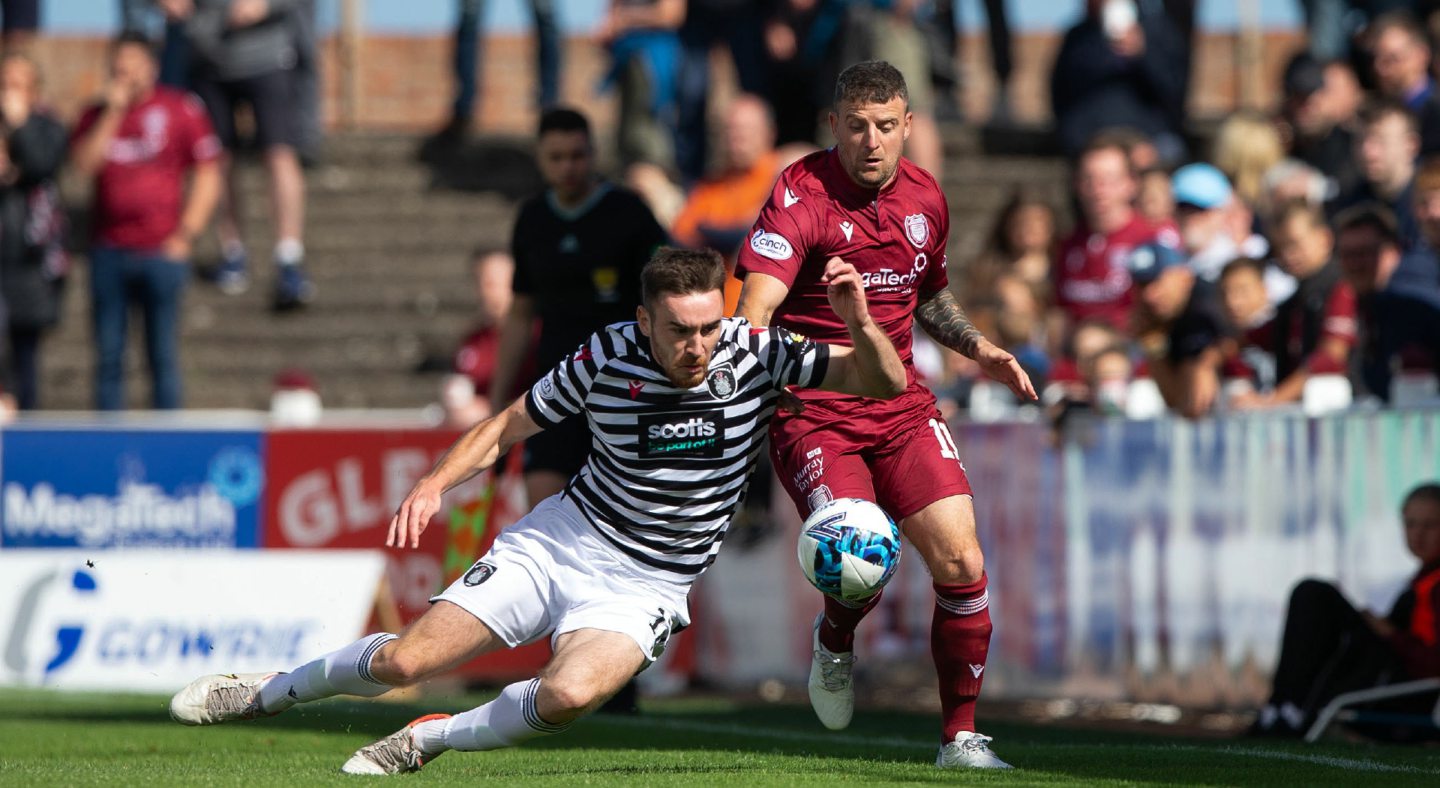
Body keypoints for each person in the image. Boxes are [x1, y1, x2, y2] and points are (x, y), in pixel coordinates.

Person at [167, 247, 909, 774]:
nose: (699, 347)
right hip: (564, 540)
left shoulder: (755, 350)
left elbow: (882, 383)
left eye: (709, 327)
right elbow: (506, 426)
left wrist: (862, 322)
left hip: (650, 583)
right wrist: (434, 484)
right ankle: (260, 694)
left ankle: (430, 740)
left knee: (570, 693)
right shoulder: (604, 356)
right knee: (403, 659)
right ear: (644, 321)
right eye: (680, 330)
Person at [734, 60, 1036, 769]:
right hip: (813, 412)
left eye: (887, 126)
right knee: (860, 558)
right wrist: (779, 368)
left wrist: (980, 346)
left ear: (908, 126)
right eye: (858, 126)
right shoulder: (798, 197)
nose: (872, 141)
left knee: (962, 559)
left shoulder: (927, 197)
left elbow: (928, 296)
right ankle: (836, 637)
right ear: (834, 125)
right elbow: (751, 317)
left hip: (899, 405)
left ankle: (959, 738)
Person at [489, 107, 668, 513]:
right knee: (544, 515)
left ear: (593, 153)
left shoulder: (629, 212)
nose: (568, 166)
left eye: (577, 155)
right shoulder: (532, 219)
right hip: (555, 388)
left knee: (625, 522)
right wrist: (499, 398)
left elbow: (667, 292)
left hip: (626, 388)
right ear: (540, 158)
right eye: (557, 157)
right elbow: (520, 312)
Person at [70, 32, 222, 410]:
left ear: (151, 67)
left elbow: (208, 172)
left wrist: (187, 234)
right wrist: (113, 111)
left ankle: (167, 443)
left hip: (161, 250)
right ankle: (107, 445)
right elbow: (84, 167)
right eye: (120, 65)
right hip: (109, 249)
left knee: (163, 356)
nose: (126, 73)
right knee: (108, 356)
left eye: (134, 64)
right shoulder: (94, 114)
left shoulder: (179, 109)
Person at [1251, 483, 1440, 739]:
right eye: (1410, 525)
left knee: (1315, 594)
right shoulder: (1423, 580)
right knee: (1316, 601)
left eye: (1430, 526)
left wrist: (1390, 634)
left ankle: (1290, 709)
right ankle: (1284, 706)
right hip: (1393, 680)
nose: (1418, 535)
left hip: (1410, 694)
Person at [185, 0, 313, 310]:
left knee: (279, 153)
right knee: (217, 160)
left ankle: (289, 257)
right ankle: (232, 253)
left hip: (268, 55)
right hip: (209, 54)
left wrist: (265, 4)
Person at [1235, 202, 1355, 410]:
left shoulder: (1343, 287)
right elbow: (1246, 341)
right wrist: (1209, 359)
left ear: (1324, 238)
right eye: (1280, 247)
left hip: (1345, 420)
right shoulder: (1294, 302)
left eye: (1295, 244)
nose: (1288, 254)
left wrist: (1272, 401)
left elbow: (1331, 355)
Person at [0, 53, 68, 410]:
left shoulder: (46, 126)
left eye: (17, 81)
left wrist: (20, 126)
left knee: (25, 358)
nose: (8, 88)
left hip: (29, 259)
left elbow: (43, 163)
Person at [671, 94, 780, 315]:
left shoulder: (782, 179)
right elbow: (681, 237)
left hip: (766, 320)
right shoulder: (710, 186)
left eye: (745, 130)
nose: (735, 138)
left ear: (769, 133)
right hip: (713, 318)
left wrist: (717, 234)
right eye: (729, 130)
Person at [1053, 133, 1172, 336]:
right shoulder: (1068, 244)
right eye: (1089, 179)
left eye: (1108, 179)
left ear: (1131, 183)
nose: (1098, 190)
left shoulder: (1154, 239)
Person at [1049, 0, 1187, 162]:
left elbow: (1173, 93)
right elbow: (1062, 95)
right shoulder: (1078, 38)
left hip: (1149, 138)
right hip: (1091, 139)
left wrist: (1143, 54)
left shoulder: (1159, 31)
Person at [1332, 204, 1440, 402]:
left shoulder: (1412, 303)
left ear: (1393, 251)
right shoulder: (1368, 302)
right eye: (1347, 255)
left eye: (1365, 253)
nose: (1355, 264)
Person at [1126, 240, 1229, 417]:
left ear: (1184, 276)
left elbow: (1192, 401)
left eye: (1157, 281)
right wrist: (1152, 345)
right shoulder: (1163, 319)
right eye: (1142, 286)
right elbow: (1174, 399)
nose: (1148, 295)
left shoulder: (1210, 302)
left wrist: (1207, 362)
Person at [1330, 100, 1421, 249]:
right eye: (1360, 140)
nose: (1368, 153)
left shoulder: (1432, 203)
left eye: (1380, 141)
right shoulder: (1350, 205)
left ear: (1411, 145)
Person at [1365, 12, 1440, 155]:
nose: (1380, 68)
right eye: (1376, 58)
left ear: (1421, 55)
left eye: (1392, 58)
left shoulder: (1436, 113)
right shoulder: (1373, 111)